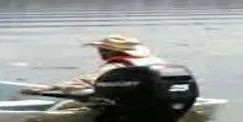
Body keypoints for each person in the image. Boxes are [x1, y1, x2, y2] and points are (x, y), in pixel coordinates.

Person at [21, 34, 166, 96]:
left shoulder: (116, 66)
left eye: (101, 50)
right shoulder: (156, 61)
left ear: (107, 51)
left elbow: (88, 81)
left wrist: (48, 88)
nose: (99, 53)